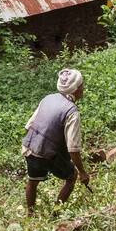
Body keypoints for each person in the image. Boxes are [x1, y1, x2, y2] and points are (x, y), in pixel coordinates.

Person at [22, 68, 90, 214]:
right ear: (76, 89)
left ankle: (30, 214)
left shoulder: (48, 98)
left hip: (29, 147)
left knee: (33, 181)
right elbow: (73, 148)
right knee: (72, 177)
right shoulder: (72, 112)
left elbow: (29, 125)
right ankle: (55, 214)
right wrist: (83, 172)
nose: (83, 88)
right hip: (47, 153)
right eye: (82, 85)